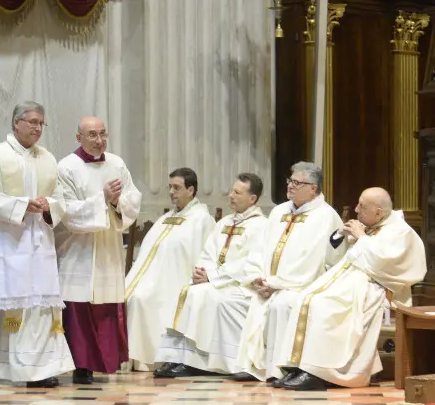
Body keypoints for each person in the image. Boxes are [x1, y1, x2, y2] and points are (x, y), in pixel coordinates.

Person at [0, 102, 75, 388]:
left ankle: (37, 368)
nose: (37, 128)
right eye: (32, 122)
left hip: (38, 243)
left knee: (38, 306)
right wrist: (21, 205)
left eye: (42, 123)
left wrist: (49, 206)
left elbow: (61, 198)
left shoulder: (47, 158)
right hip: (5, 241)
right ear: (16, 122)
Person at [274, 187, 426, 390]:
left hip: (378, 287)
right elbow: (343, 257)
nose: (356, 209)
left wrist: (362, 237)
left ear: (378, 212)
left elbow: (382, 265)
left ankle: (319, 372)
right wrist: (340, 235)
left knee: (324, 305)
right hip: (349, 280)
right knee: (305, 297)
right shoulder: (374, 226)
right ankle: (299, 366)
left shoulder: (401, 232)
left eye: (362, 206)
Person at [236, 162, 342, 384]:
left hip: (303, 285)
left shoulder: (325, 216)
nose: (290, 186)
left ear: (313, 188)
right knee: (256, 302)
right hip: (270, 284)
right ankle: (258, 366)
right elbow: (259, 248)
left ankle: (284, 368)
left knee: (282, 303)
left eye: (297, 183)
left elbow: (312, 260)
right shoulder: (278, 211)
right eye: (290, 181)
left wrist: (276, 283)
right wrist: (257, 277)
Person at [54, 116, 142, 384]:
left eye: (103, 134)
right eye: (92, 135)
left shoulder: (116, 163)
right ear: (78, 137)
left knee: (104, 305)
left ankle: (106, 360)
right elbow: (66, 211)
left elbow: (132, 199)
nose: (99, 140)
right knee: (79, 306)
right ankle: (81, 365)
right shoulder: (66, 167)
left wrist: (117, 204)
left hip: (107, 248)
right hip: (77, 250)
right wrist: (102, 199)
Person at [154, 173, 267, 377]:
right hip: (216, 281)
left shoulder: (261, 225)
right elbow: (208, 252)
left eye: (237, 192)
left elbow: (249, 263)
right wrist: (202, 272)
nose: (231, 195)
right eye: (232, 191)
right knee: (189, 292)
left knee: (206, 296)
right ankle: (179, 357)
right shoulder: (224, 222)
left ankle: (199, 361)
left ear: (253, 199)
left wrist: (213, 276)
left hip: (239, 284)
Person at [126, 167, 215, 373]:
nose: (171, 192)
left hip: (177, 282)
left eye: (177, 187)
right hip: (154, 278)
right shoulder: (167, 217)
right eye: (170, 187)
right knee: (131, 296)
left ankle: (152, 357)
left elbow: (206, 254)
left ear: (191, 190)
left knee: (142, 299)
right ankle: (135, 357)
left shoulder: (201, 219)